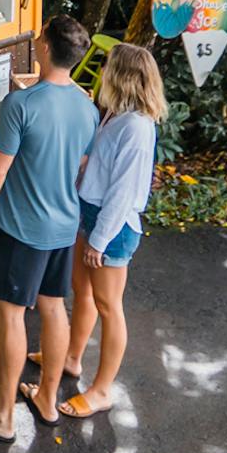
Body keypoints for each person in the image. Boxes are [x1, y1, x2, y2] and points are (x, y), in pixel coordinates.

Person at [0, 14, 98, 440]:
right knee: (54, 307)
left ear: (47, 48)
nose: (35, 39)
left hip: (22, 229)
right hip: (63, 224)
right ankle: (47, 401)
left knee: (9, 316)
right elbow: (82, 163)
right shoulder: (87, 107)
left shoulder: (22, 105)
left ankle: (1, 416)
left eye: (40, 35)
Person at [53, 41, 166, 419]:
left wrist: (99, 240)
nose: (101, 71)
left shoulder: (136, 127)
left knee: (109, 307)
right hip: (92, 213)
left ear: (121, 76)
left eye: (106, 67)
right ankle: (71, 358)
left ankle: (102, 390)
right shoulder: (117, 114)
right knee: (81, 292)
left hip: (112, 226)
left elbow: (122, 191)